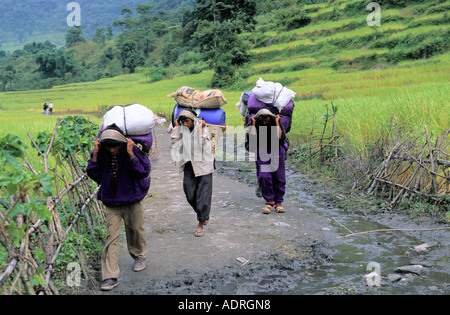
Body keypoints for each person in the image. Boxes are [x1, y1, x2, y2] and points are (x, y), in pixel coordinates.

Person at [86, 124, 151, 291]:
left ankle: (139, 256)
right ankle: (110, 276)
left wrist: (130, 154)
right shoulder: (100, 153)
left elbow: (143, 172)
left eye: (114, 145)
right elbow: (93, 174)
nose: (111, 148)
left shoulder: (131, 149)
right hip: (112, 202)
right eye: (108, 145)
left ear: (121, 143)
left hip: (131, 199)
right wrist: (95, 154)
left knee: (136, 230)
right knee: (112, 238)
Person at [170, 109, 214, 237]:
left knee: (203, 196)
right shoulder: (181, 129)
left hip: (204, 166)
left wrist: (200, 130)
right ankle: (202, 214)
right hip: (189, 165)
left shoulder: (203, 129)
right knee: (189, 193)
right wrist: (177, 128)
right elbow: (173, 146)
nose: (185, 124)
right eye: (182, 121)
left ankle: (200, 222)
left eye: (187, 121)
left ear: (193, 120)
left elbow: (202, 147)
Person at [247, 109, 287, 214]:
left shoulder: (275, 124)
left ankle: (278, 203)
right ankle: (269, 201)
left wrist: (277, 122)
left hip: (277, 151)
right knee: (264, 176)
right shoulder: (255, 125)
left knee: (279, 177)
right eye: (262, 120)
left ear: (270, 118)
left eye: (267, 119)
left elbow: (280, 137)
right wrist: (254, 124)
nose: (265, 121)